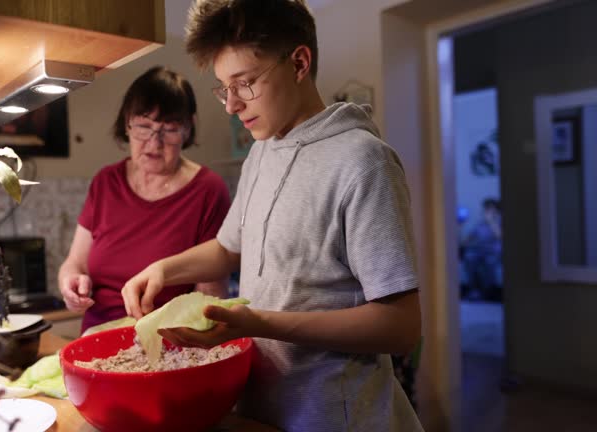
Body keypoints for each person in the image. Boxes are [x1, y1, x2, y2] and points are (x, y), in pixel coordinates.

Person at [121, 1, 424, 431]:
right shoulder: (262, 151)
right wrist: (163, 269)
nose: (230, 105)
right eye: (224, 87)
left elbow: (399, 327)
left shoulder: (363, 161)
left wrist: (258, 323)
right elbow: (230, 247)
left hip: (336, 415)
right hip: (264, 406)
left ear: (299, 62)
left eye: (244, 84)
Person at [58, 66, 231, 334]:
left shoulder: (208, 190)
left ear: (188, 129)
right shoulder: (106, 182)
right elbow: (75, 263)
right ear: (126, 124)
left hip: (167, 343)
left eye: (169, 129)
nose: (154, 142)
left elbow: (210, 297)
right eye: (143, 126)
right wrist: (70, 282)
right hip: (96, 339)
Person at [461, 198, 503, 300]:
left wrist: (491, 222)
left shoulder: (499, 222)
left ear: (496, 210)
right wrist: (460, 227)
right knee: (469, 257)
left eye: (490, 209)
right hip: (479, 251)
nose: (487, 212)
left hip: (493, 252)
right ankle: (474, 290)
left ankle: (489, 291)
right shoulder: (480, 224)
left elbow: (499, 236)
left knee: (490, 262)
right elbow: (465, 241)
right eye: (486, 209)